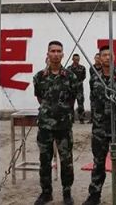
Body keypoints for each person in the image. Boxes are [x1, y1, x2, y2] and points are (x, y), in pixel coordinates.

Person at [83, 46, 116, 205]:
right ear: (99, 58)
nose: (106, 57)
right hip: (100, 128)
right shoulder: (94, 77)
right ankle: (94, 195)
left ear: (114, 57)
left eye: (109, 55)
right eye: (103, 55)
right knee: (98, 162)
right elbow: (93, 100)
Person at [33, 41, 79, 205]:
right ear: (48, 54)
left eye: (59, 51)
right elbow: (39, 97)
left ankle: (67, 193)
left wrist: (63, 111)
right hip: (45, 126)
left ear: (63, 54)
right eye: (52, 51)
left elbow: (74, 97)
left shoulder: (70, 76)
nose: (55, 54)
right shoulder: (39, 77)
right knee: (44, 160)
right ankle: (46, 193)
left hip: (63, 126)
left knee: (66, 161)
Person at [66, 53, 87, 124]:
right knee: (70, 104)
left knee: (80, 104)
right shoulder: (68, 68)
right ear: (72, 59)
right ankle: (71, 119)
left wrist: (78, 82)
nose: (76, 60)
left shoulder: (82, 68)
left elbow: (84, 77)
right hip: (71, 89)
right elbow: (67, 78)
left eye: (78, 59)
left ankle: (81, 118)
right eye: (75, 59)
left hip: (79, 89)